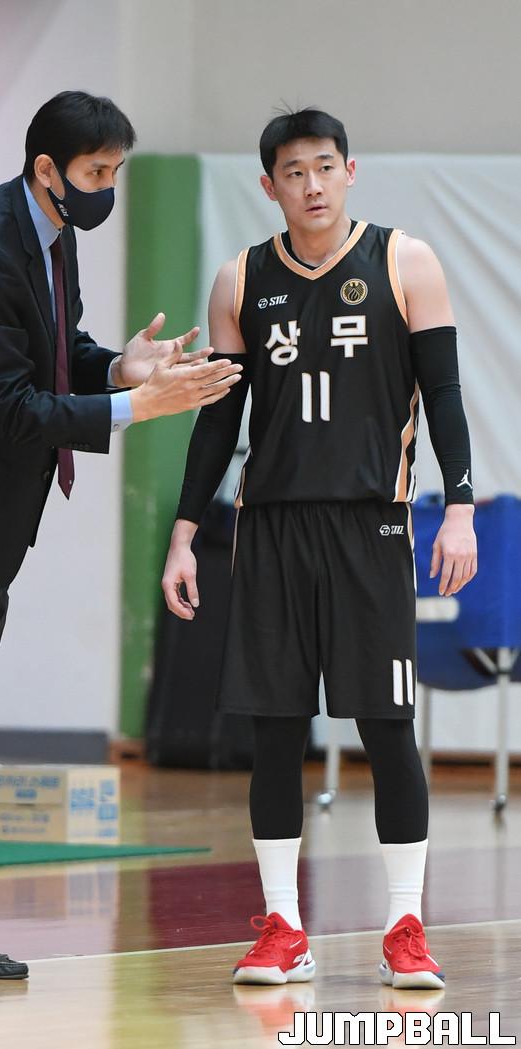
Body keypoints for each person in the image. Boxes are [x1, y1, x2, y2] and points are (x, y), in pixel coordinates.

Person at [0, 90, 243, 980]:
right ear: (47, 169)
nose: (107, 187)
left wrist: (119, 366)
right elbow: (14, 409)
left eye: (116, 171)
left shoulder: (48, 231)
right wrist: (136, 405)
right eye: (95, 172)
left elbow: (55, 347)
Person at [162, 108, 476, 990]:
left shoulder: (404, 262)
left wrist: (458, 506)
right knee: (272, 729)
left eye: (325, 167)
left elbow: (444, 394)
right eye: (293, 172)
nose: (311, 185)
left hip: (370, 524)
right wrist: (184, 532)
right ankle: (283, 928)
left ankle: (405, 925)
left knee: (387, 726)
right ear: (269, 186)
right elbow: (218, 421)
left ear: (349, 171)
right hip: (269, 526)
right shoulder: (240, 278)